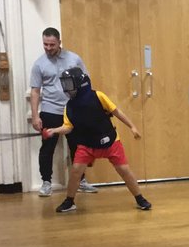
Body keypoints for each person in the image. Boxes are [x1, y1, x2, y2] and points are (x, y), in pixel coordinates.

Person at [44, 68, 151, 214]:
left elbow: (117, 112)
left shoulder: (98, 96)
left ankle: (140, 198)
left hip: (110, 141)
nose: (66, 88)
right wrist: (54, 131)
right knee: (76, 171)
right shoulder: (69, 106)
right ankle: (69, 201)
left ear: (80, 83)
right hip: (86, 144)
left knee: (124, 170)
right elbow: (67, 127)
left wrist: (132, 127)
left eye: (69, 84)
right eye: (65, 84)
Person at [28, 27, 96, 197]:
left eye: (52, 44)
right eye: (45, 44)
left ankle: (81, 181)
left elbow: (86, 83)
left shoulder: (74, 59)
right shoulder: (39, 64)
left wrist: (87, 108)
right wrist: (35, 116)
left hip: (74, 111)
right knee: (47, 148)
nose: (48, 48)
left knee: (78, 147)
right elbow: (35, 91)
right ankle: (46, 182)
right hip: (50, 111)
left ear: (59, 42)